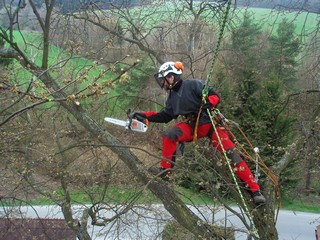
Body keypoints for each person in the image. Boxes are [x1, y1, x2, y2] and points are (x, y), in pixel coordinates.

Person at [131, 61, 266, 204]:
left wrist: (210, 101)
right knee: (170, 133)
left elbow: (215, 95)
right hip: (191, 126)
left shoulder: (193, 84)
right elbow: (165, 116)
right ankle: (165, 171)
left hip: (210, 124)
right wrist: (144, 115)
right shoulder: (172, 97)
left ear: (171, 77)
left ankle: (255, 191)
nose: (163, 83)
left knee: (231, 154)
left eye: (164, 79)